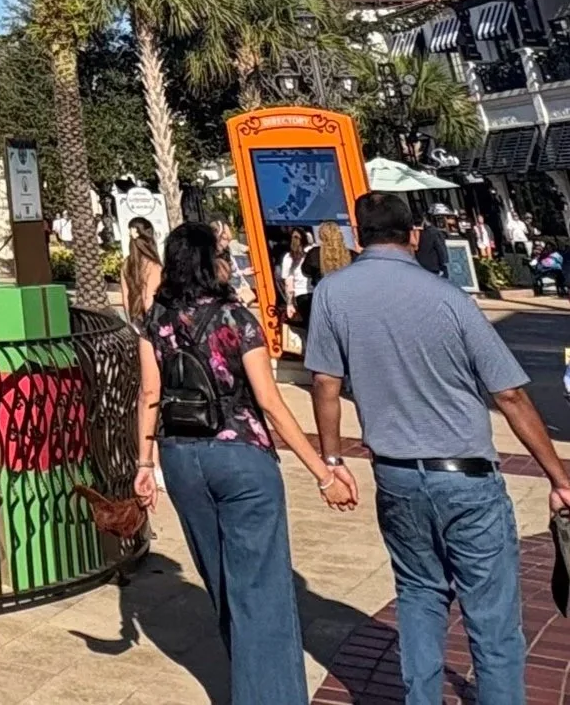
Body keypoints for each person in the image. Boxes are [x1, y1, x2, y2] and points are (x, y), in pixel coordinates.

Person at [306, 189, 570, 705]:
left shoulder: (333, 294)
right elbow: (509, 394)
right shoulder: (448, 298)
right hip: (466, 475)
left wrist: (332, 461)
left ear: (359, 236)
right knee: (490, 618)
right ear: (412, 235)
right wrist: (558, 475)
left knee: (419, 596)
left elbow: (325, 385)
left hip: (397, 475)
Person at [135, 220, 355, 704]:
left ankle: (251, 684)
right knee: (262, 590)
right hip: (241, 456)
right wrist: (324, 473)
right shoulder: (237, 318)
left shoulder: (156, 320)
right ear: (211, 262)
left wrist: (143, 464)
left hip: (181, 456)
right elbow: (271, 403)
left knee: (221, 581)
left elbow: (150, 393)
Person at [122, 216, 163, 323]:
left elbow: (126, 296)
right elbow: (148, 297)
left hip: (135, 317)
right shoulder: (153, 266)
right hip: (151, 321)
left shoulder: (127, 264)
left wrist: (130, 322)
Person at [414, 208, 450, 279]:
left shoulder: (412, 234)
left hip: (419, 267)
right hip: (433, 266)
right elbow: (440, 248)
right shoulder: (432, 232)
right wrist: (443, 262)